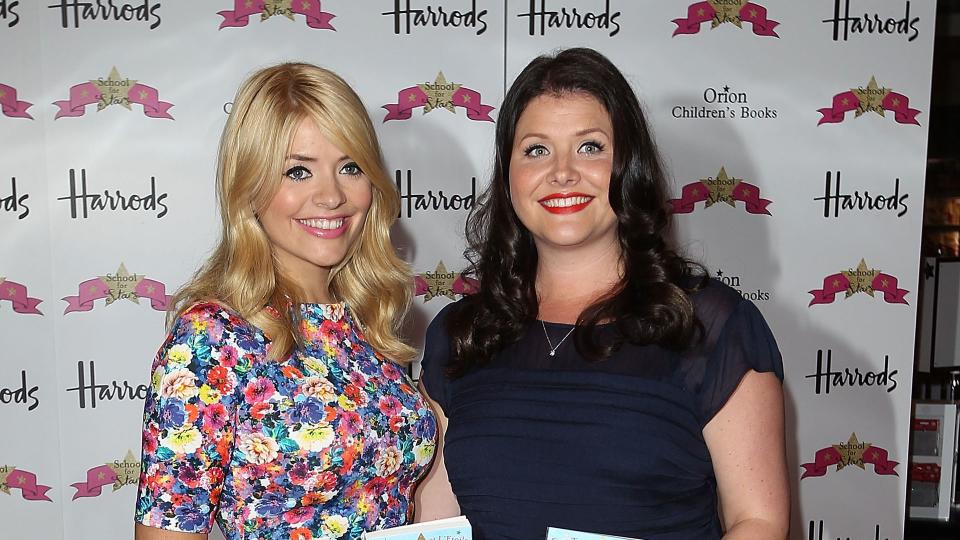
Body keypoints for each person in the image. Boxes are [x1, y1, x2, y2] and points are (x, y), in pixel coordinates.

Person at [415, 48, 789, 539]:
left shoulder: (710, 325)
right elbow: (436, 517)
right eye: (536, 149)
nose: (563, 172)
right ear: (508, 177)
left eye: (590, 147)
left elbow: (756, 522)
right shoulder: (461, 333)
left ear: (629, 167)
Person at [134, 63, 437, 540]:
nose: (332, 195)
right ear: (251, 187)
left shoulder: (365, 324)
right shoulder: (212, 339)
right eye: (298, 171)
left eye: (350, 167)